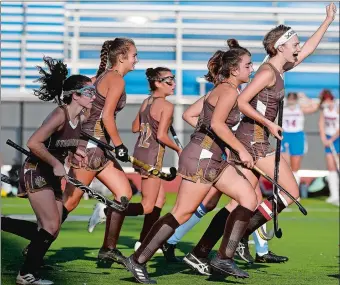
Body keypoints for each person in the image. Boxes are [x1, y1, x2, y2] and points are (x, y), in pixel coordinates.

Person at [184, 2, 338, 267]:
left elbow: (310, 50)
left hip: (257, 138)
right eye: (295, 44)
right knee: (290, 193)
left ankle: (199, 252)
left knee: (239, 204)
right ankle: (238, 238)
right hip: (253, 140)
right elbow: (243, 101)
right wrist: (268, 124)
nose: (299, 48)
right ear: (281, 47)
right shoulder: (267, 71)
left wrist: (327, 21)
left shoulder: (278, 68)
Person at [124, 39, 258, 284]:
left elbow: (191, 115)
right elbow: (217, 124)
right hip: (203, 158)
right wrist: (240, 149)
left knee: (249, 199)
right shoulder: (227, 90)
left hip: (211, 157)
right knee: (181, 213)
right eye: (248, 65)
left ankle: (223, 257)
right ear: (235, 70)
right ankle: (139, 259)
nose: (252, 69)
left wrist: (215, 141)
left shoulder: (224, 89)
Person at [14, 56, 95, 285]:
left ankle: (25, 254)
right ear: (75, 95)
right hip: (36, 170)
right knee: (49, 226)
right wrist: (57, 164)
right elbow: (34, 143)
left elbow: (63, 144)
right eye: (88, 92)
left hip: (49, 171)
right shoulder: (60, 114)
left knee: (52, 227)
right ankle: (26, 274)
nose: (93, 97)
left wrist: (74, 153)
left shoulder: (80, 116)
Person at [87, 67, 181, 256]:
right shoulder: (167, 106)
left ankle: (143, 242)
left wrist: (154, 123)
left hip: (140, 154)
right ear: (157, 83)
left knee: (159, 200)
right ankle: (106, 210)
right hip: (152, 158)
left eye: (174, 80)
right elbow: (162, 136)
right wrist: (179, 149)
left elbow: (135, 127)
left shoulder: (147, 102)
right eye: (169, 81)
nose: (174, 84)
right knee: (147, 206)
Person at [62, 38, 139, 267]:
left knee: (123, 194)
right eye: (134, 55)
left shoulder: (104, 76)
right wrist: (120, 145)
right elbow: (106, 117)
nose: (137, 59)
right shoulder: (115, 79)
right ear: (122, 57)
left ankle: (108, 249)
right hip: (91, 148)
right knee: (70, 202)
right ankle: (35, 246)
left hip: (100, 148)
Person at [281, 92, 320, 185]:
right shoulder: (283, 108)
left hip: (297, 136)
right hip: (285, 135)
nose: (291, 101)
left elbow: (315, 106)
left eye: (293, 99)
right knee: (283, 165)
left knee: (295, 166)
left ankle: (294, 190)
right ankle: (282, 188)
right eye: (289, 98)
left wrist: (305, 97)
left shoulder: (300, 109)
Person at [318, 89, 339, 206]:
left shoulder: (337, 107)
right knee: (331, 167)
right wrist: (324, 138)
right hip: (329, 138)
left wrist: (332, 139)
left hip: (337, 139)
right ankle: (334, 195)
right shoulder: (324, 109)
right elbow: (321, 124)